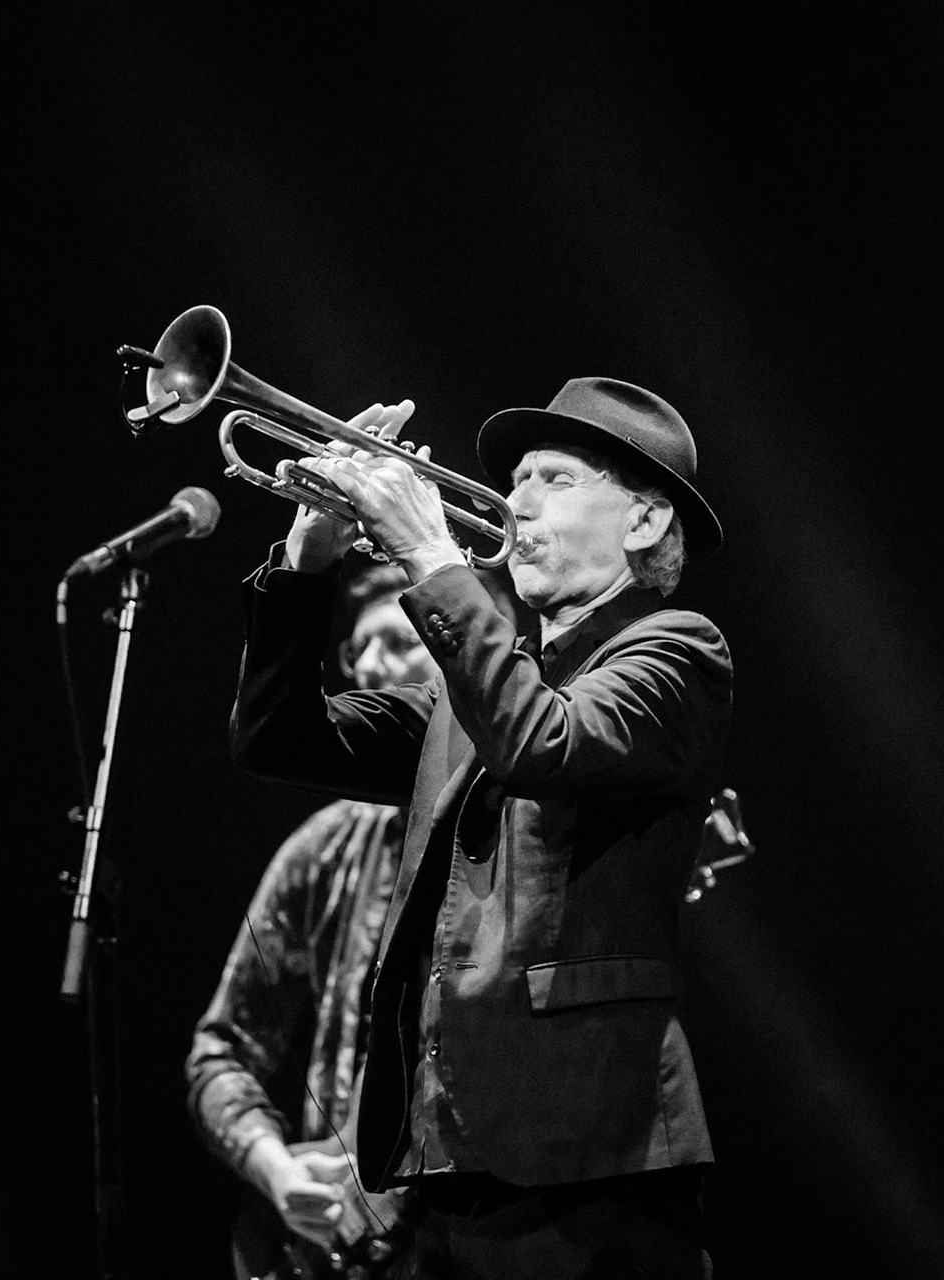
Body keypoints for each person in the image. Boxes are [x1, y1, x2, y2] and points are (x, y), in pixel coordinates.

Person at [228, 377, 731, 1278]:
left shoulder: (677, 650)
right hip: (439, 1166)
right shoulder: (474, 688)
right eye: (518, 477)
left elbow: (546, 742)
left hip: (587, 1166)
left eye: (553, 478)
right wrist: (306, 568)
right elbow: (277, 739)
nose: (514, 500)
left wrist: (428, 551)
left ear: (647, 522)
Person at [187, 563, 439, 1280]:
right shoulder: (321, 852)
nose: (369, 665)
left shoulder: (511, 828)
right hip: (338, 1243)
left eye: (397, 641)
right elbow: (223, 1049)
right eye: (356, 650)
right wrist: (274, 1171)